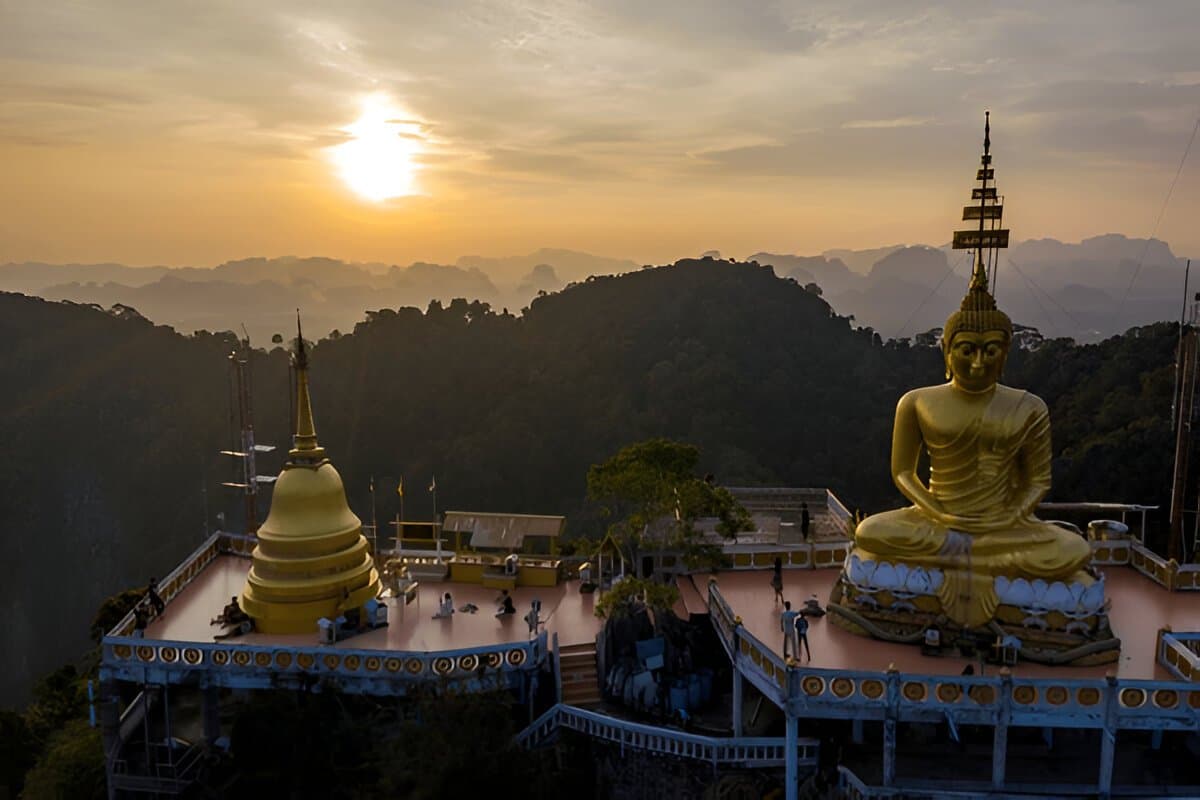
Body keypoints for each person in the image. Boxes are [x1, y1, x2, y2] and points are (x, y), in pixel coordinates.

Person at [838, 249, 1093, 629]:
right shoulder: (917, 402)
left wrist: (1005, 518)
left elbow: (1037, 481)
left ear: (1005, 354)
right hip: (937, 519)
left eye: (991, 351)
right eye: (967, 350)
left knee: (1072, 549)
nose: (978, 363)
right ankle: (972, 552)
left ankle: (965, 552)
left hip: (1001, 526)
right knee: (870, 532)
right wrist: (939, 513)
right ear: (946, 351)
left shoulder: (1029, 407)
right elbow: (904, 474)